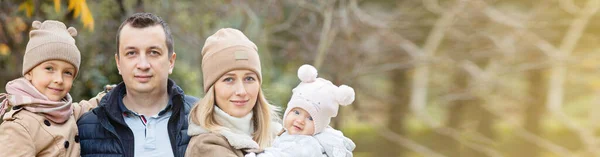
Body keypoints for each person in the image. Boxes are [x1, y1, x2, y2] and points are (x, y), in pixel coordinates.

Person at [77, 13, 198, 157]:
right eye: (131, 53)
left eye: (153, 52)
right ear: (118, 63)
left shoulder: (202, 118)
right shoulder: (86, 129)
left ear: (171, 62)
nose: (143, 65)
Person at [0, 20, 104, 157]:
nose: (59, 80)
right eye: (49, 68)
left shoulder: (66, 111)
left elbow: (88, 106)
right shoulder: (18, 127)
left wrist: (114, 92)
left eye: (67, 72)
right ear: (29, 72)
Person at [185, 28, 282, 157]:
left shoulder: (279, 135)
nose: (241, 91)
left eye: (249, 78)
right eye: (229, 79)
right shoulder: (205, 146)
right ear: (212, 89)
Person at [246, 64, 356, 157]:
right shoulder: (289, 135)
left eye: (310, 118)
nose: (300, 120)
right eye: (296, 112)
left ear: (320, 125)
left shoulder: (309, 144)